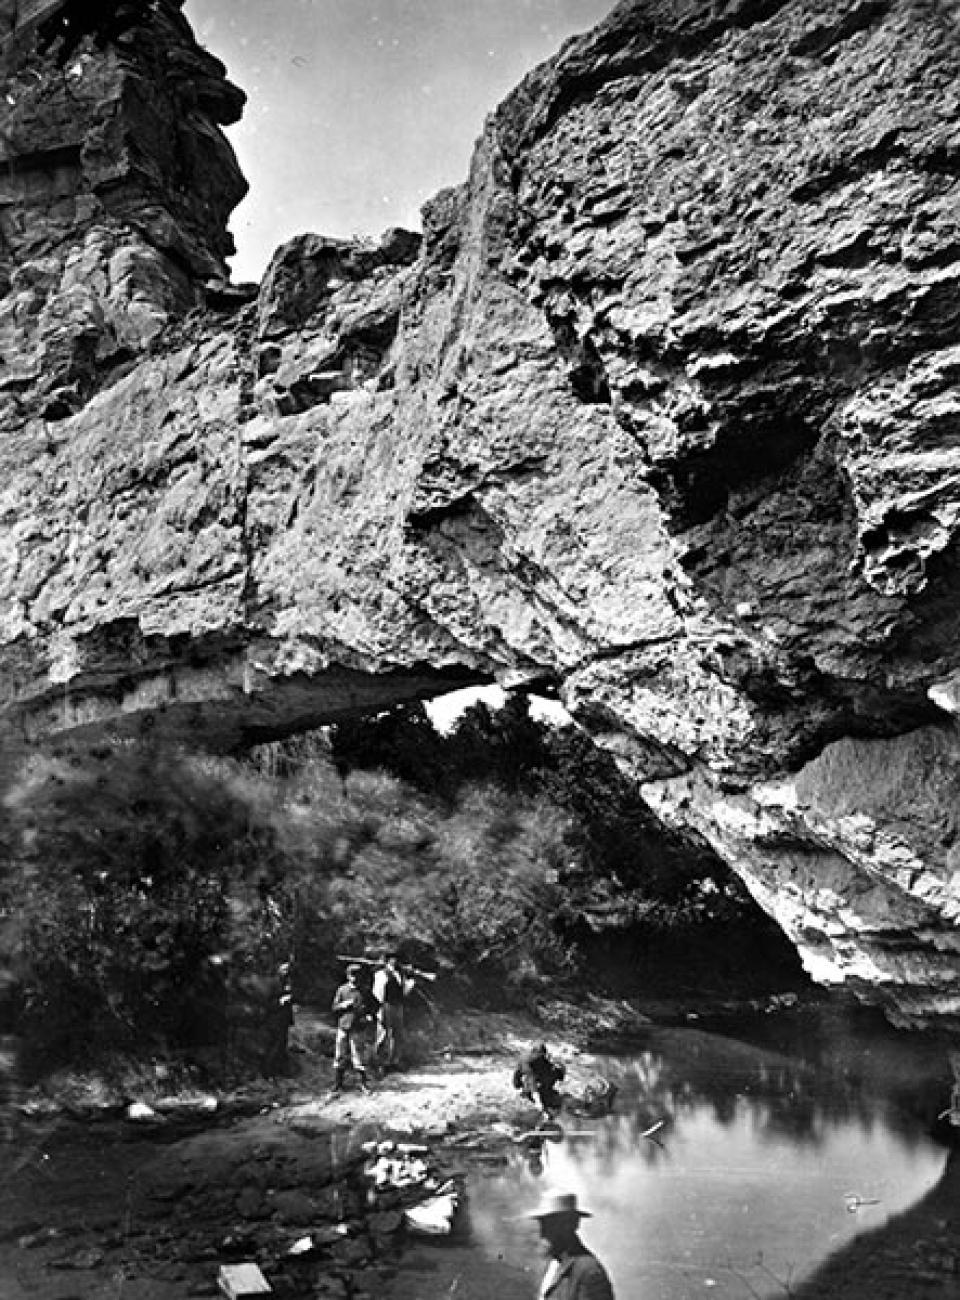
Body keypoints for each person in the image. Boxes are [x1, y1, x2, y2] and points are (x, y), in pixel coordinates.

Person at [525, 1191, 615, 1300]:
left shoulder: (588, 1271)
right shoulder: (553, 1266)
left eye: (550, 1225)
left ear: (570, 1224)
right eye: (543, 1224)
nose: (542, 1234)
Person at [330, 964, 372, 1095]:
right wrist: (343, 1005)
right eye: (352, 975)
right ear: (348, 976)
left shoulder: (364, 991)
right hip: (343, 1026)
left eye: (357, 975)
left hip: (358, 1027)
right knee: (340, 1055)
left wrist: (369, 1016)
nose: (354, 978)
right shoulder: (342, 990)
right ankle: (338, 1083)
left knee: (358, 1055)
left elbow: (374, 1005)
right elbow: (334, 1007)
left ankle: (362, 1083)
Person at [372, 953, 414, 1076]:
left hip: (398, 1006)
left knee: (397, 1034)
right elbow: (377, 993)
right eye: (392, 958)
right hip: (386, 1005)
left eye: (396, 958)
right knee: (383, 1035)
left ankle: (394, 1061)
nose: (395, 961)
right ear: (388, 960)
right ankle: (380, 1064)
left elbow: (404, 992)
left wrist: (410, 978)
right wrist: (380, 1009)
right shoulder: (381, 974)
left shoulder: (400, 974)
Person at [513, 1043, 566, 1119]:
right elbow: (530, 1080)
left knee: (550, 1081)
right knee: (527, 1088)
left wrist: (559, 1071)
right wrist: (538, 1101)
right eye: (541, 1055)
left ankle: (545, 1093)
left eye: (543, 1055)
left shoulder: (543, 1060)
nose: (543, 1056)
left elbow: (556, 1070)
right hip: (529, 1082)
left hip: (539, 1076)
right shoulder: (526, 1062)